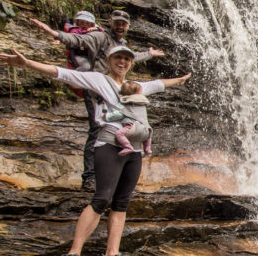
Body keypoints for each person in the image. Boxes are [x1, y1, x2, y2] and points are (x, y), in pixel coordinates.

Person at [0, 45, 191, 256]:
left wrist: (181, 80)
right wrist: (27, 63)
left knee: (122, 202)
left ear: (131, 63)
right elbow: (62, 73)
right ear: (109, 59)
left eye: (127, 59)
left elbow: (160, 84)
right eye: (118, 57)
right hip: (109, 144)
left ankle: (112, 255)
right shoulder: (99, 80)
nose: (122, 62)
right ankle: (73, 254)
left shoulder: (138, 87)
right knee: (102, 198)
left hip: (134, 150)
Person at [28, 10, 166, 193]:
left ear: (128, 26)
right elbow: (79, 41)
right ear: (110, 22)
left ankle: (112, 174)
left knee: (116, 128)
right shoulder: (100, 37)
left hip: (115, 90)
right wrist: (56, 35)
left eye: (123, 23)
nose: (120, 26)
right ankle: (90, 178)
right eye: (117, 22)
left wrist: (149, 54)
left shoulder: (120, 44)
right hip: (96, 89)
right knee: (96, 130)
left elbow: (131, 57)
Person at [107, 81, 152, 156]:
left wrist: (107, 117)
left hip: (132, 128)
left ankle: (128, 147)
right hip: (147, 131)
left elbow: (119, 114)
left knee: (119, 134)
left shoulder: (126, 102)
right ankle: (147, 148)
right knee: (147, 134)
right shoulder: (143, 103)